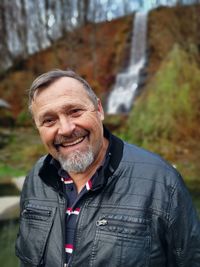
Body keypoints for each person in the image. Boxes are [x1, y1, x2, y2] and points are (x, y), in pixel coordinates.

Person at [15, 69, 200, 267]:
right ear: (38, 128)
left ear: (99, 110)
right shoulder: (36, 178)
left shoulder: (162, 182)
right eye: (49, 120)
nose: (66, 128)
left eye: (75, 111)